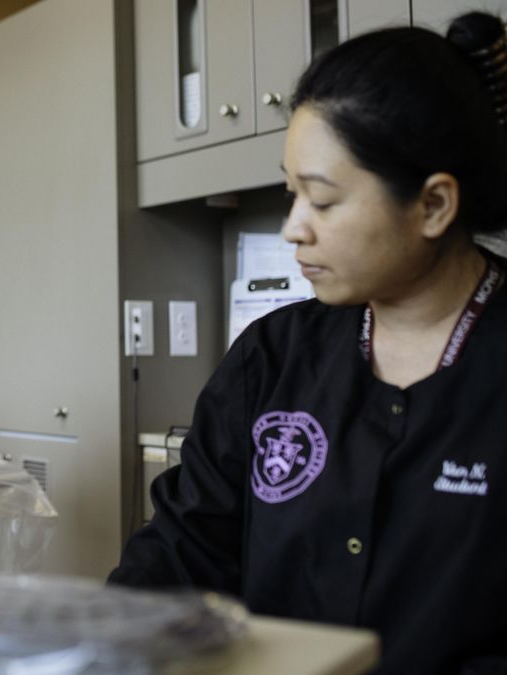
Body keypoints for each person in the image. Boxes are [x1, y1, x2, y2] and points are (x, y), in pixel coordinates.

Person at [110, 12, 507, 673]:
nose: (294, 228)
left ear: (433, 205)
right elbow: (181, 552)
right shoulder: (272, 356)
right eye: (291, 194)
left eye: (321, 201)